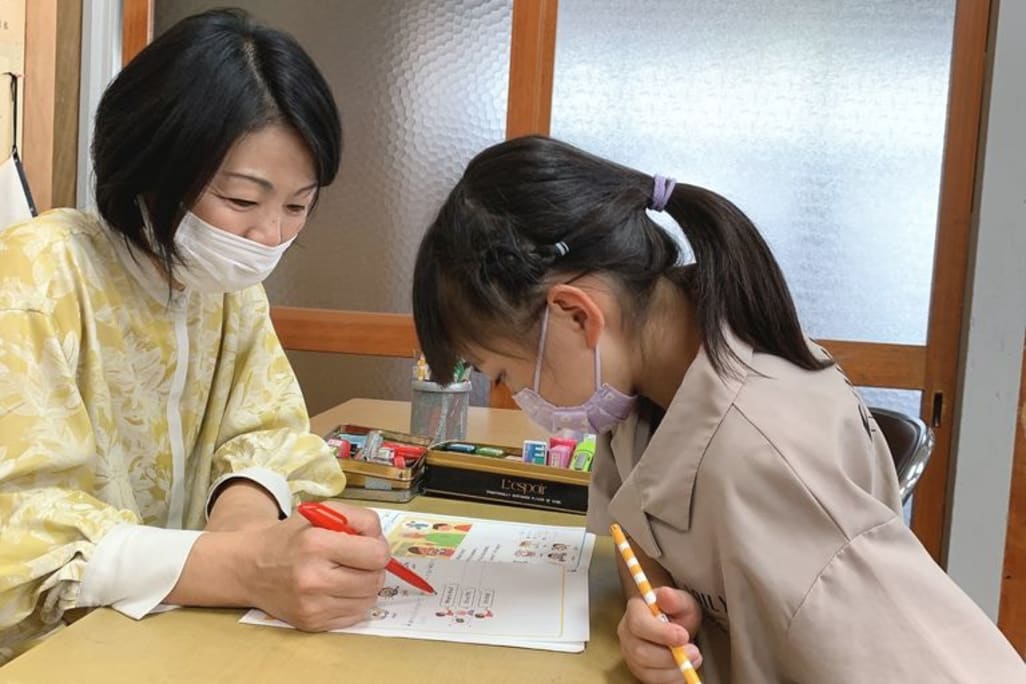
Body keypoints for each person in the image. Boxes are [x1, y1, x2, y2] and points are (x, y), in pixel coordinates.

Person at [411, 135, 1026, 682]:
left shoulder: (765, 457)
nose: (517, 397)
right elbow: (633, 538)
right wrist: (652, 614)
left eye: (506, 375)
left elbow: (922, 660)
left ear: (576, 316)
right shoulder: (643, 373)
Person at [0, 10, 388, 664]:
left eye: (297, 205)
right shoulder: (36, 275)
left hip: (171, 644)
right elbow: (19, 525)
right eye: (242, 201)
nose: (270, 235)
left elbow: (267, 433)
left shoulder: (227, 292)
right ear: (154, 163)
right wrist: (236, 566)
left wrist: (245, 522)